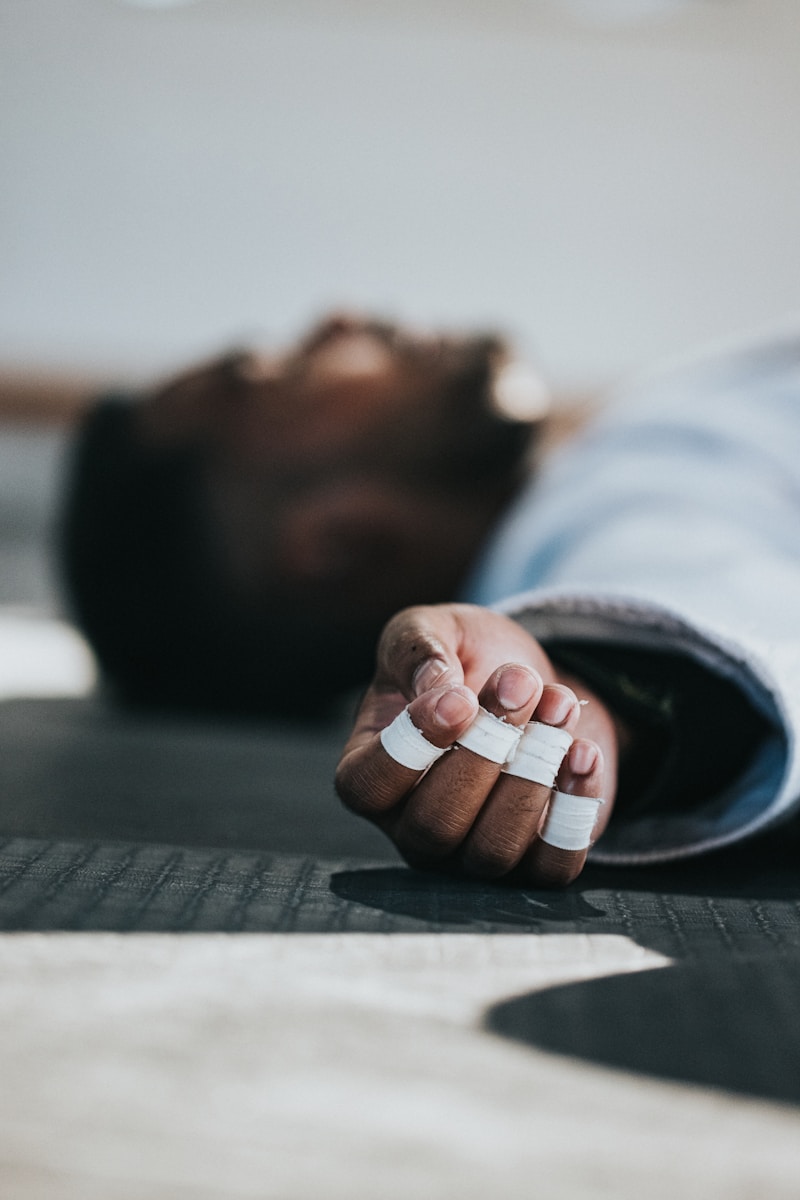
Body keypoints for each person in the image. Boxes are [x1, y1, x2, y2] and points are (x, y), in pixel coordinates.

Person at [60, 312, 800, 886]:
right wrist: (573, 713)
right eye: (281, 370)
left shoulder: (597, 463)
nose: (341, 318)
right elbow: (697, 610)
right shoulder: (610, 504)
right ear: (334, 543)